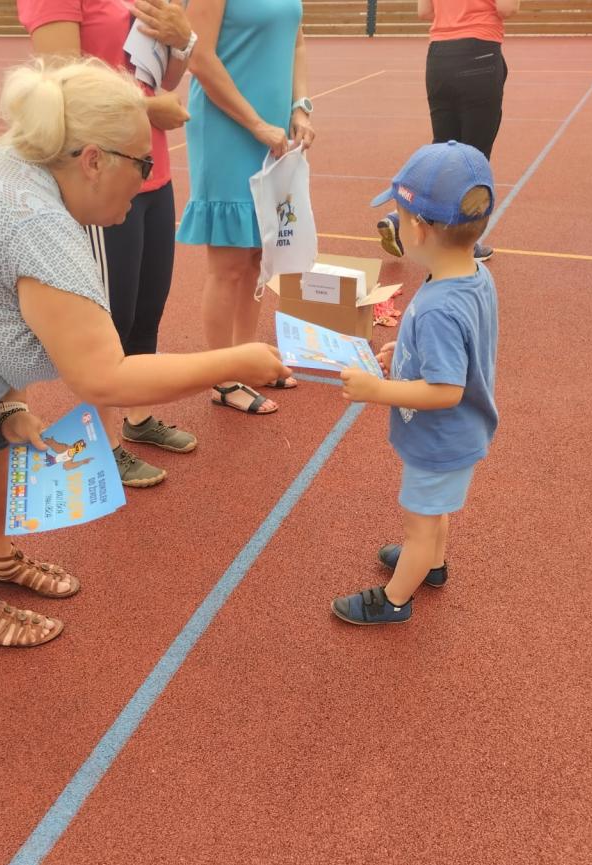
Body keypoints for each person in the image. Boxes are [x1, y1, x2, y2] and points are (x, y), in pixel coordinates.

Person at [0, 58, 287, 648]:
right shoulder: (39, 227)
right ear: (93, 160)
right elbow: (106, 379)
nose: (149, 179)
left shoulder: (17, 173)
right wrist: (237, 361)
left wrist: (8, 404)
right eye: (144, 163)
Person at [18, 0, 198, 487]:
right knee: (106, 321)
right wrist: (145, 108)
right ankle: (102, 441)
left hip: (149, 170)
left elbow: (165, 76)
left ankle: (136, 417)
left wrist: (182, 38)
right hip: (97, 181)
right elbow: (59, 92)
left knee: (146, 310)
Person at [332, 141, 499, 625]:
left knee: (419, 523)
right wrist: (402, 353)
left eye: (399, 218)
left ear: (419, 229)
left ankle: (394, 600)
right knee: (435, 509)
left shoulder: (439, 307)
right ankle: (433, 565)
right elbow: (456, 353)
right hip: (457, 433)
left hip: (440, 437)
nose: (395, 225)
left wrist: (378, 391)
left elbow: (446, 390)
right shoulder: (472, 276)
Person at [176, 0, 316, 415]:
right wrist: (255, 123)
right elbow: (199, 57)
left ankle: (246, 358)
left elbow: (296, 41)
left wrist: (300, 105)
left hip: (272, 130)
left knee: (259, 254)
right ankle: (223, 378)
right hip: (228, 127)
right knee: (230, 263)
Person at [377, 0, 519, 264]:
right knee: (473, 157)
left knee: (442, 152)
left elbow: (424, 12)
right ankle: (460, 245)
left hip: (439, 57)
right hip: (479, 52)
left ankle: (402, 218)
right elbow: (507, 8)